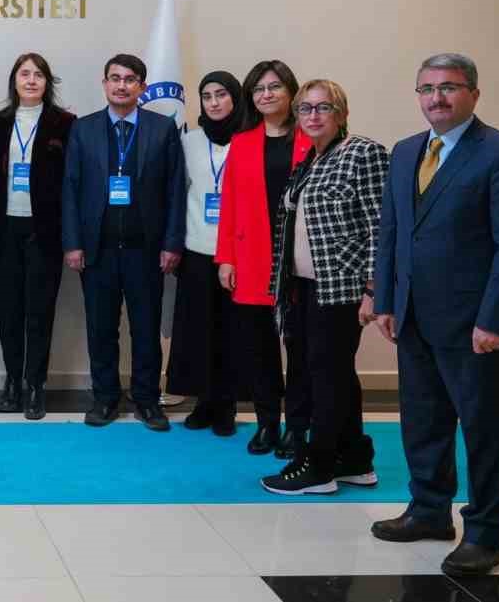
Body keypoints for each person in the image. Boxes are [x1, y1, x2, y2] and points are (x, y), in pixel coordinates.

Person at [370, 54, 499, 577]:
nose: (436, 97)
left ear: (474, 95)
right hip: (413, 317)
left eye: (449, 88)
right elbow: (392, 234)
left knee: (482, 428)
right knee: (422, 420)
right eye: (427, 88)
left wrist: (496, 319)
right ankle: (429, 510)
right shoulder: (405, 152)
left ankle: (485, 532)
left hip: (475, 325)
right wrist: (387, 301)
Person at [259, 80, 388, 495]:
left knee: (326, 378)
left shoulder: (363, 154)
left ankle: (318, 467)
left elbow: (380, 226)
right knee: (333, 375)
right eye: (305, 109)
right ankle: (354, 458)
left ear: (341, 113)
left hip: (340, 289)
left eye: (323, 108)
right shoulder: (309, 162)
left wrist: (374, 288)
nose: (313, 116)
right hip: (303, 288)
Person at [62, 53, 185, 431]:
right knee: (101, 329)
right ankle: (105, 398)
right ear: (104, 84)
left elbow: (175, 190)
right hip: (96, 250)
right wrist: (73, 243)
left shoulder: (162, 128)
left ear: (142, 87)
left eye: (130, 79)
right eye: (114, 78)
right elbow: (70, 189)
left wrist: (171, 243)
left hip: (145, 251)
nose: (121, 85)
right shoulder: (83, 129)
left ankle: (147, 400)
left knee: (145, 329)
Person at [215, 60, 312, 458]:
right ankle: (267, 423)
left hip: (302, 261)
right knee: (259, 349)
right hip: (253, 258)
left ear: (291, 92)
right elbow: (230, 205)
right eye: (258, 89)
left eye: (274, 87)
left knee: (302, 348)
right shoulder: (242, 142)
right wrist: (226, 258)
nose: (266, 95)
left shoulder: (314, 137)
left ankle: (298, 427)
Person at [0, 53, 75, 419]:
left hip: (46, 232)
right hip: (5, 229)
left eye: (39, 74)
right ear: (14, 81)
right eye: (24, 74)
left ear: (47, 82)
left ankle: (36, 384)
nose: (31, 80)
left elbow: (73, 184)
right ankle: (12, 381)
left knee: (40, 311)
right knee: (9, 311)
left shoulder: (65, 124)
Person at [166, 71, 243, 437]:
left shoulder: (249, 140)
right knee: (198, 332)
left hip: (237, 252)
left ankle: (225, 404)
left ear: (235, 99)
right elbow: (179, 194)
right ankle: (203, 402)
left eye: (221, 95)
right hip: (197, 249)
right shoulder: (188, 142)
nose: (213, 102)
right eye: (207, 96)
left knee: (232, 332)